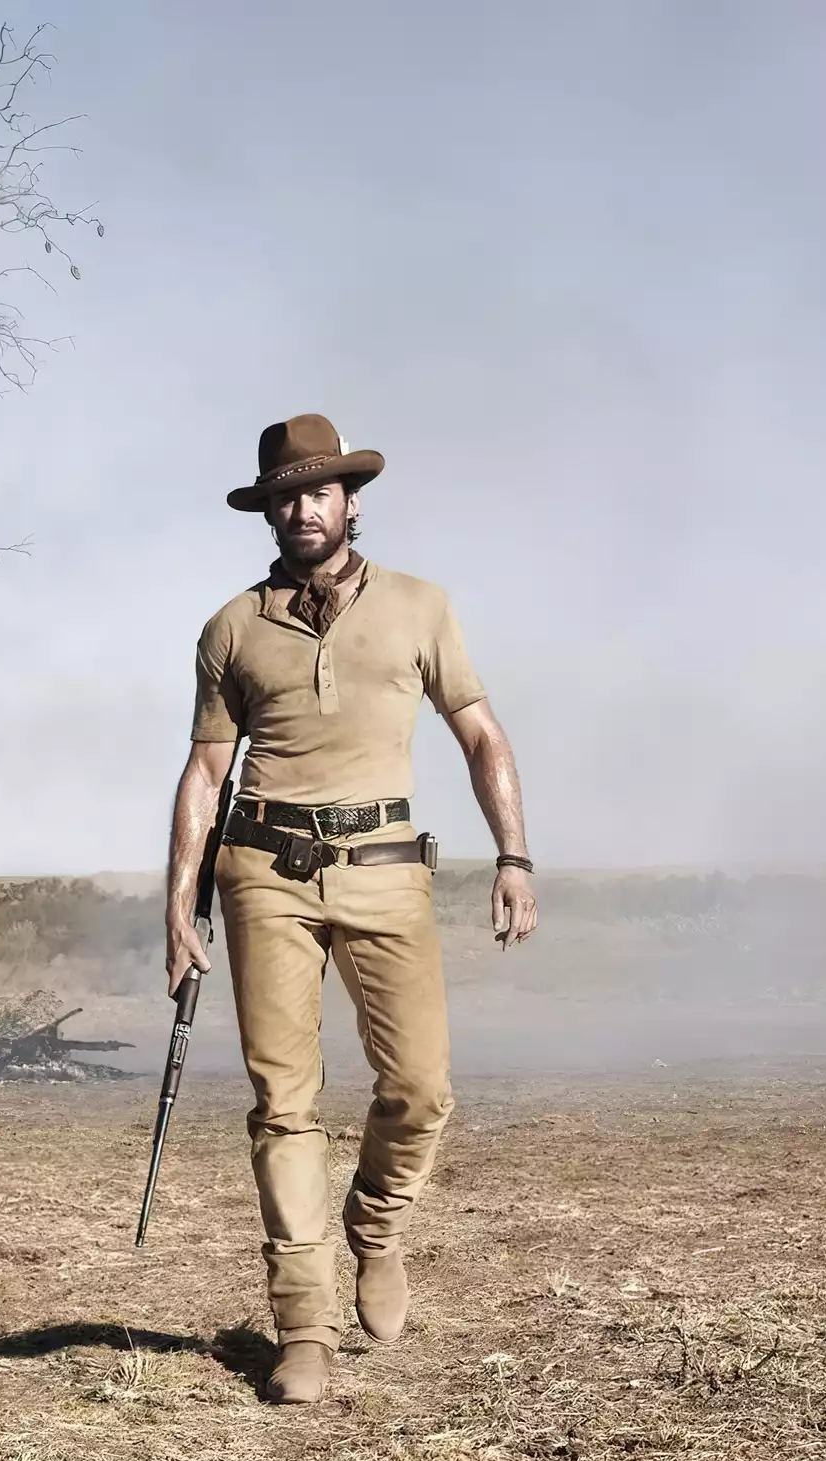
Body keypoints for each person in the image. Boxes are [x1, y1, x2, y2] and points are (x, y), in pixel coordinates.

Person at [163, 413, 538, 1405]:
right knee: (284, 1105)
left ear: (350, 502)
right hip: (262, 871)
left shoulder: (421, 607)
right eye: (284, 496)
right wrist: (178, 903)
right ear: (269, 512)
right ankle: (304, 1329)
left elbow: (483, 736)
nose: (302, 510)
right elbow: (205, 772)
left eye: (317, 492)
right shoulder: (231, 629)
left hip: (385, 867)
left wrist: (514, 855)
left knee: (419, 1087)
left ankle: (375, 1223)